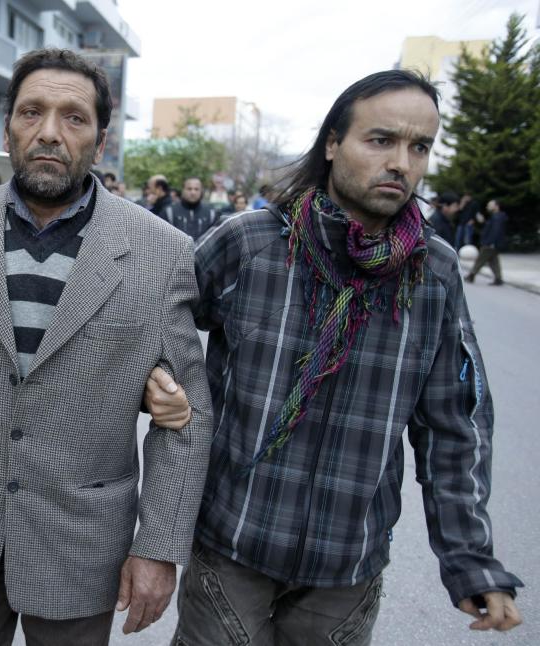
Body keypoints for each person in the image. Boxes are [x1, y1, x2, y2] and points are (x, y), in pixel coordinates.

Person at [158, 69, 522, 645]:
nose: (401, 162)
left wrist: (469, 558)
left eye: (419, 146)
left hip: (346, 571)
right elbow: (155, 327)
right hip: (233, 547)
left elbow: (455, 425)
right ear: (332, 143)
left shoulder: (435, 271)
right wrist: (164, 387)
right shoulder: (251, 244)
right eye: (381, 140)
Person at [0, 47, 213, 646]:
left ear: (101, 140)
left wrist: (159, 546)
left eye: (74, 118)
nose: (50, 133)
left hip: (83, 545)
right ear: (7, 127)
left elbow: (186, 417)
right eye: (32, 112)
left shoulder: (160, 252)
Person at [466, 198, 507, 285]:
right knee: (493, 261)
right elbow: (491, 229)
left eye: (490, 205)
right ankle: (498, 278)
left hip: (490, 243)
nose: (488, 207)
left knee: (480, 260)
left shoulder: (497, 217)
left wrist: (491, 242)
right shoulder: (496, 217)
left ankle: (471, 275)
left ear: (496, 206)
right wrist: (483, 222)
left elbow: (495, 231)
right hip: (492, 243)